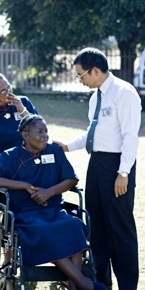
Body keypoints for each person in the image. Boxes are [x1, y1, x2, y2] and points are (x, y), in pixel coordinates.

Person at [0, 114, 107, 290]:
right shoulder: (10, 157)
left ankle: (75, 286)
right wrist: (24, 185)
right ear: (25, 135)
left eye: (46, 131)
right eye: (39, 132)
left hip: (53, 210)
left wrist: (49, 192)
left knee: (74, 225)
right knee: (45, 232)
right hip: (24, 215)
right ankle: (84, 284)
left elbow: (71, 179)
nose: (45, 136)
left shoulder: (54, 151)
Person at [55, 48, 141, 290]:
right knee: (96, 225)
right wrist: (68, 147)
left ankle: (127, 284)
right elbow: (94, 134)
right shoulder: (95, 98)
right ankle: (101, 281)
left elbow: (130, 137)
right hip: (97, 165)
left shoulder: (124, 93)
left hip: (117, 166)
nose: (80, 80)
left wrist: (123, 173)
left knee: (120, 227)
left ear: (95, 70)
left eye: (81, 75)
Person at [0, 72, 38, 209]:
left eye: (9, 87)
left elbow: (38, 128)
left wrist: (21, 109)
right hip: (4, 165)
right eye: (3, 91)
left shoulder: (23, 102)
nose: (8, 92)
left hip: (30, 160)